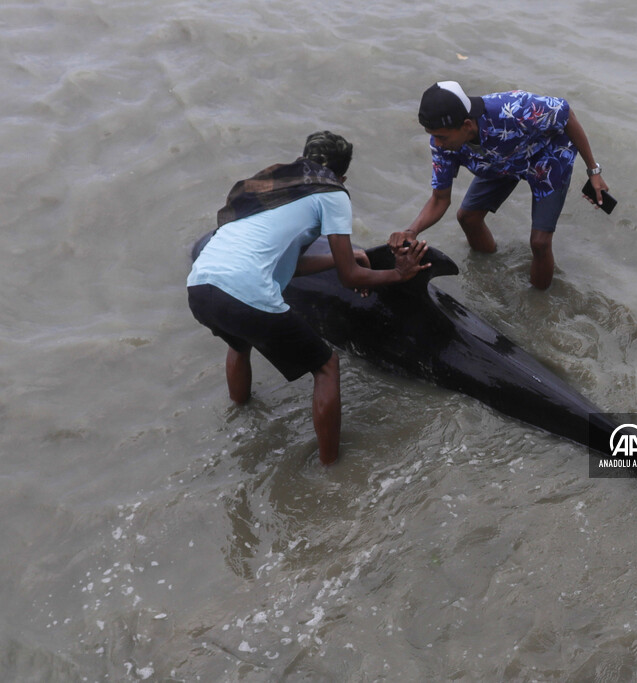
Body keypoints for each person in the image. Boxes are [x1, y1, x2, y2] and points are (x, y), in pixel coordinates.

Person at [187, 131, 430, 465]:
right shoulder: (332, 193)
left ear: (304, 160)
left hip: (201, 284)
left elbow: (289, 265)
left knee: (240, 343)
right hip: (245, 288)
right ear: (342, 176)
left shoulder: (273, 186)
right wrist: (399, 274)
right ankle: (331, 466)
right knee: (326, 366)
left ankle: (238, 414)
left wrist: (347, 254)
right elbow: (350, 277)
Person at [388, 81, 610, 290]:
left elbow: (566, 113)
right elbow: (440, 199)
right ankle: (487, 271)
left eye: (441, 137)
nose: (437, 143)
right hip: (498, 162)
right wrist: (411, 231)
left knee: (540, 243)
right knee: (467, 217)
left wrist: (593, 171)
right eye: (432, 136)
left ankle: (538, 302)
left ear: (466, 125)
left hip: (546, 157)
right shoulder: (443, 145)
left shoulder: (515, 109)